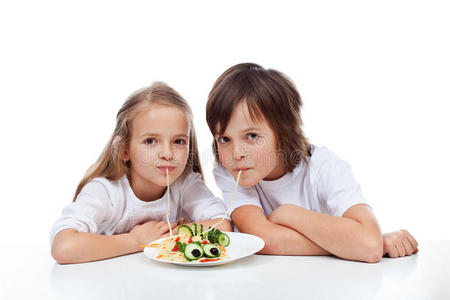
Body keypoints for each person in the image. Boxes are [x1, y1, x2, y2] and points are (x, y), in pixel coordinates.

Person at [206, 63, 418, 263]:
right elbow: (264, 240)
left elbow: (369, 246)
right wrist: (350, 245)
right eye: (224, 139)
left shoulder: (325, 168)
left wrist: (288, 214)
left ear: (283, 130)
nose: (236, 153)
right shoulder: (232, 173)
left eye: (252, 136)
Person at [51, 82, 231, 264]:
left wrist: (168, 235)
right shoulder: (105, 192)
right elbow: (64, 247)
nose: (167, 154)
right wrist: (135, 241)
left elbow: (223, 224)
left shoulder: (184, 184)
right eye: (151, 141)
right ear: (124, 150)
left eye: (178, 141)